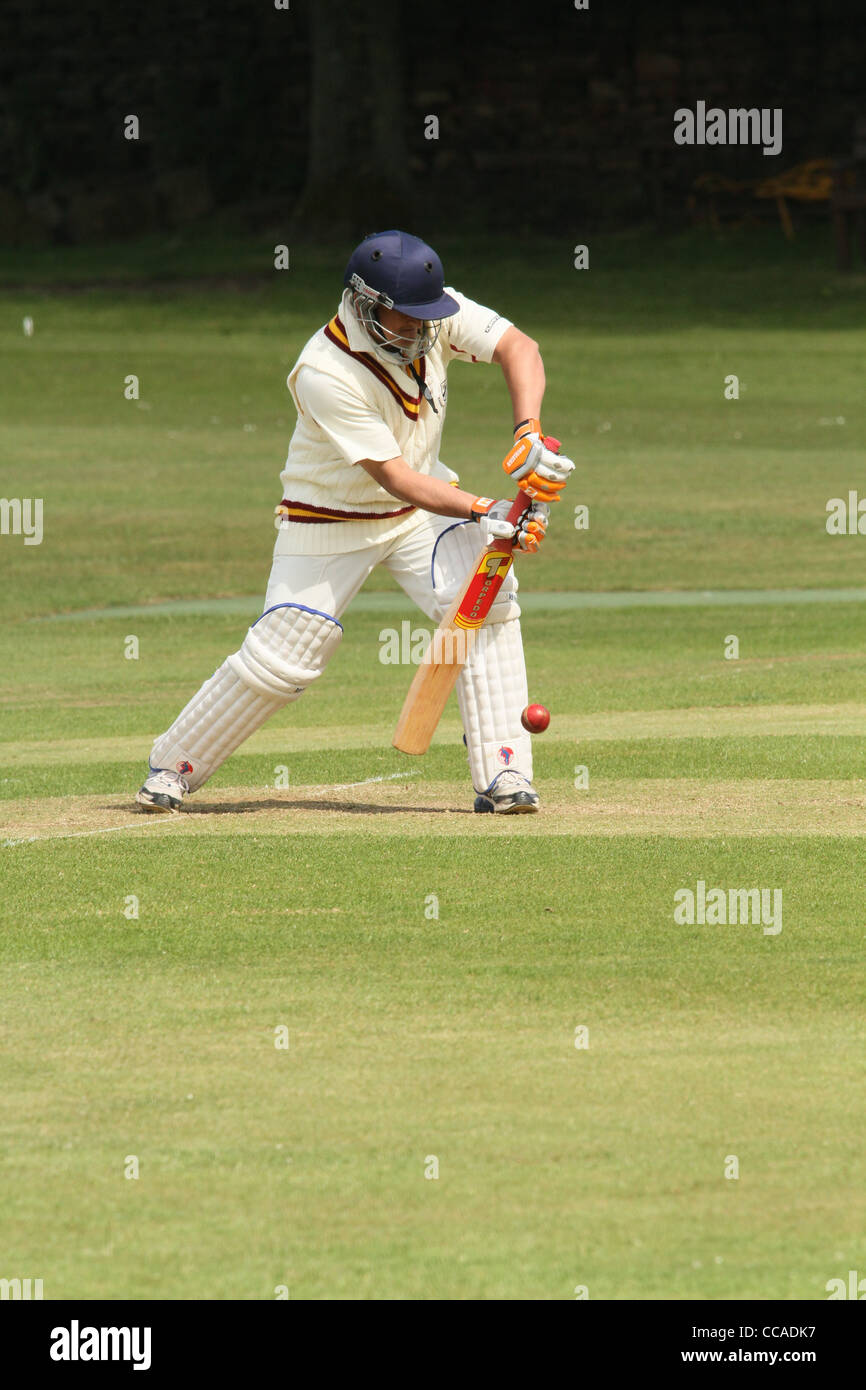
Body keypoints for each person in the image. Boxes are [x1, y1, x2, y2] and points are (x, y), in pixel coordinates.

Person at [136, 229, 573, 816]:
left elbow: (522, 348)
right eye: (404, 321)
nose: (419, 333)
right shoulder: (325, 370)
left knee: (485, 596)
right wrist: (487, 509)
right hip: (329, 518)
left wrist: (527, 432)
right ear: (364, 304)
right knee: (287, 654)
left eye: (425, 320)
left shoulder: (434, 314)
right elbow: (393, 476)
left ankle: (505, 773)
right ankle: (173, 766)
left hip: (419, 513)